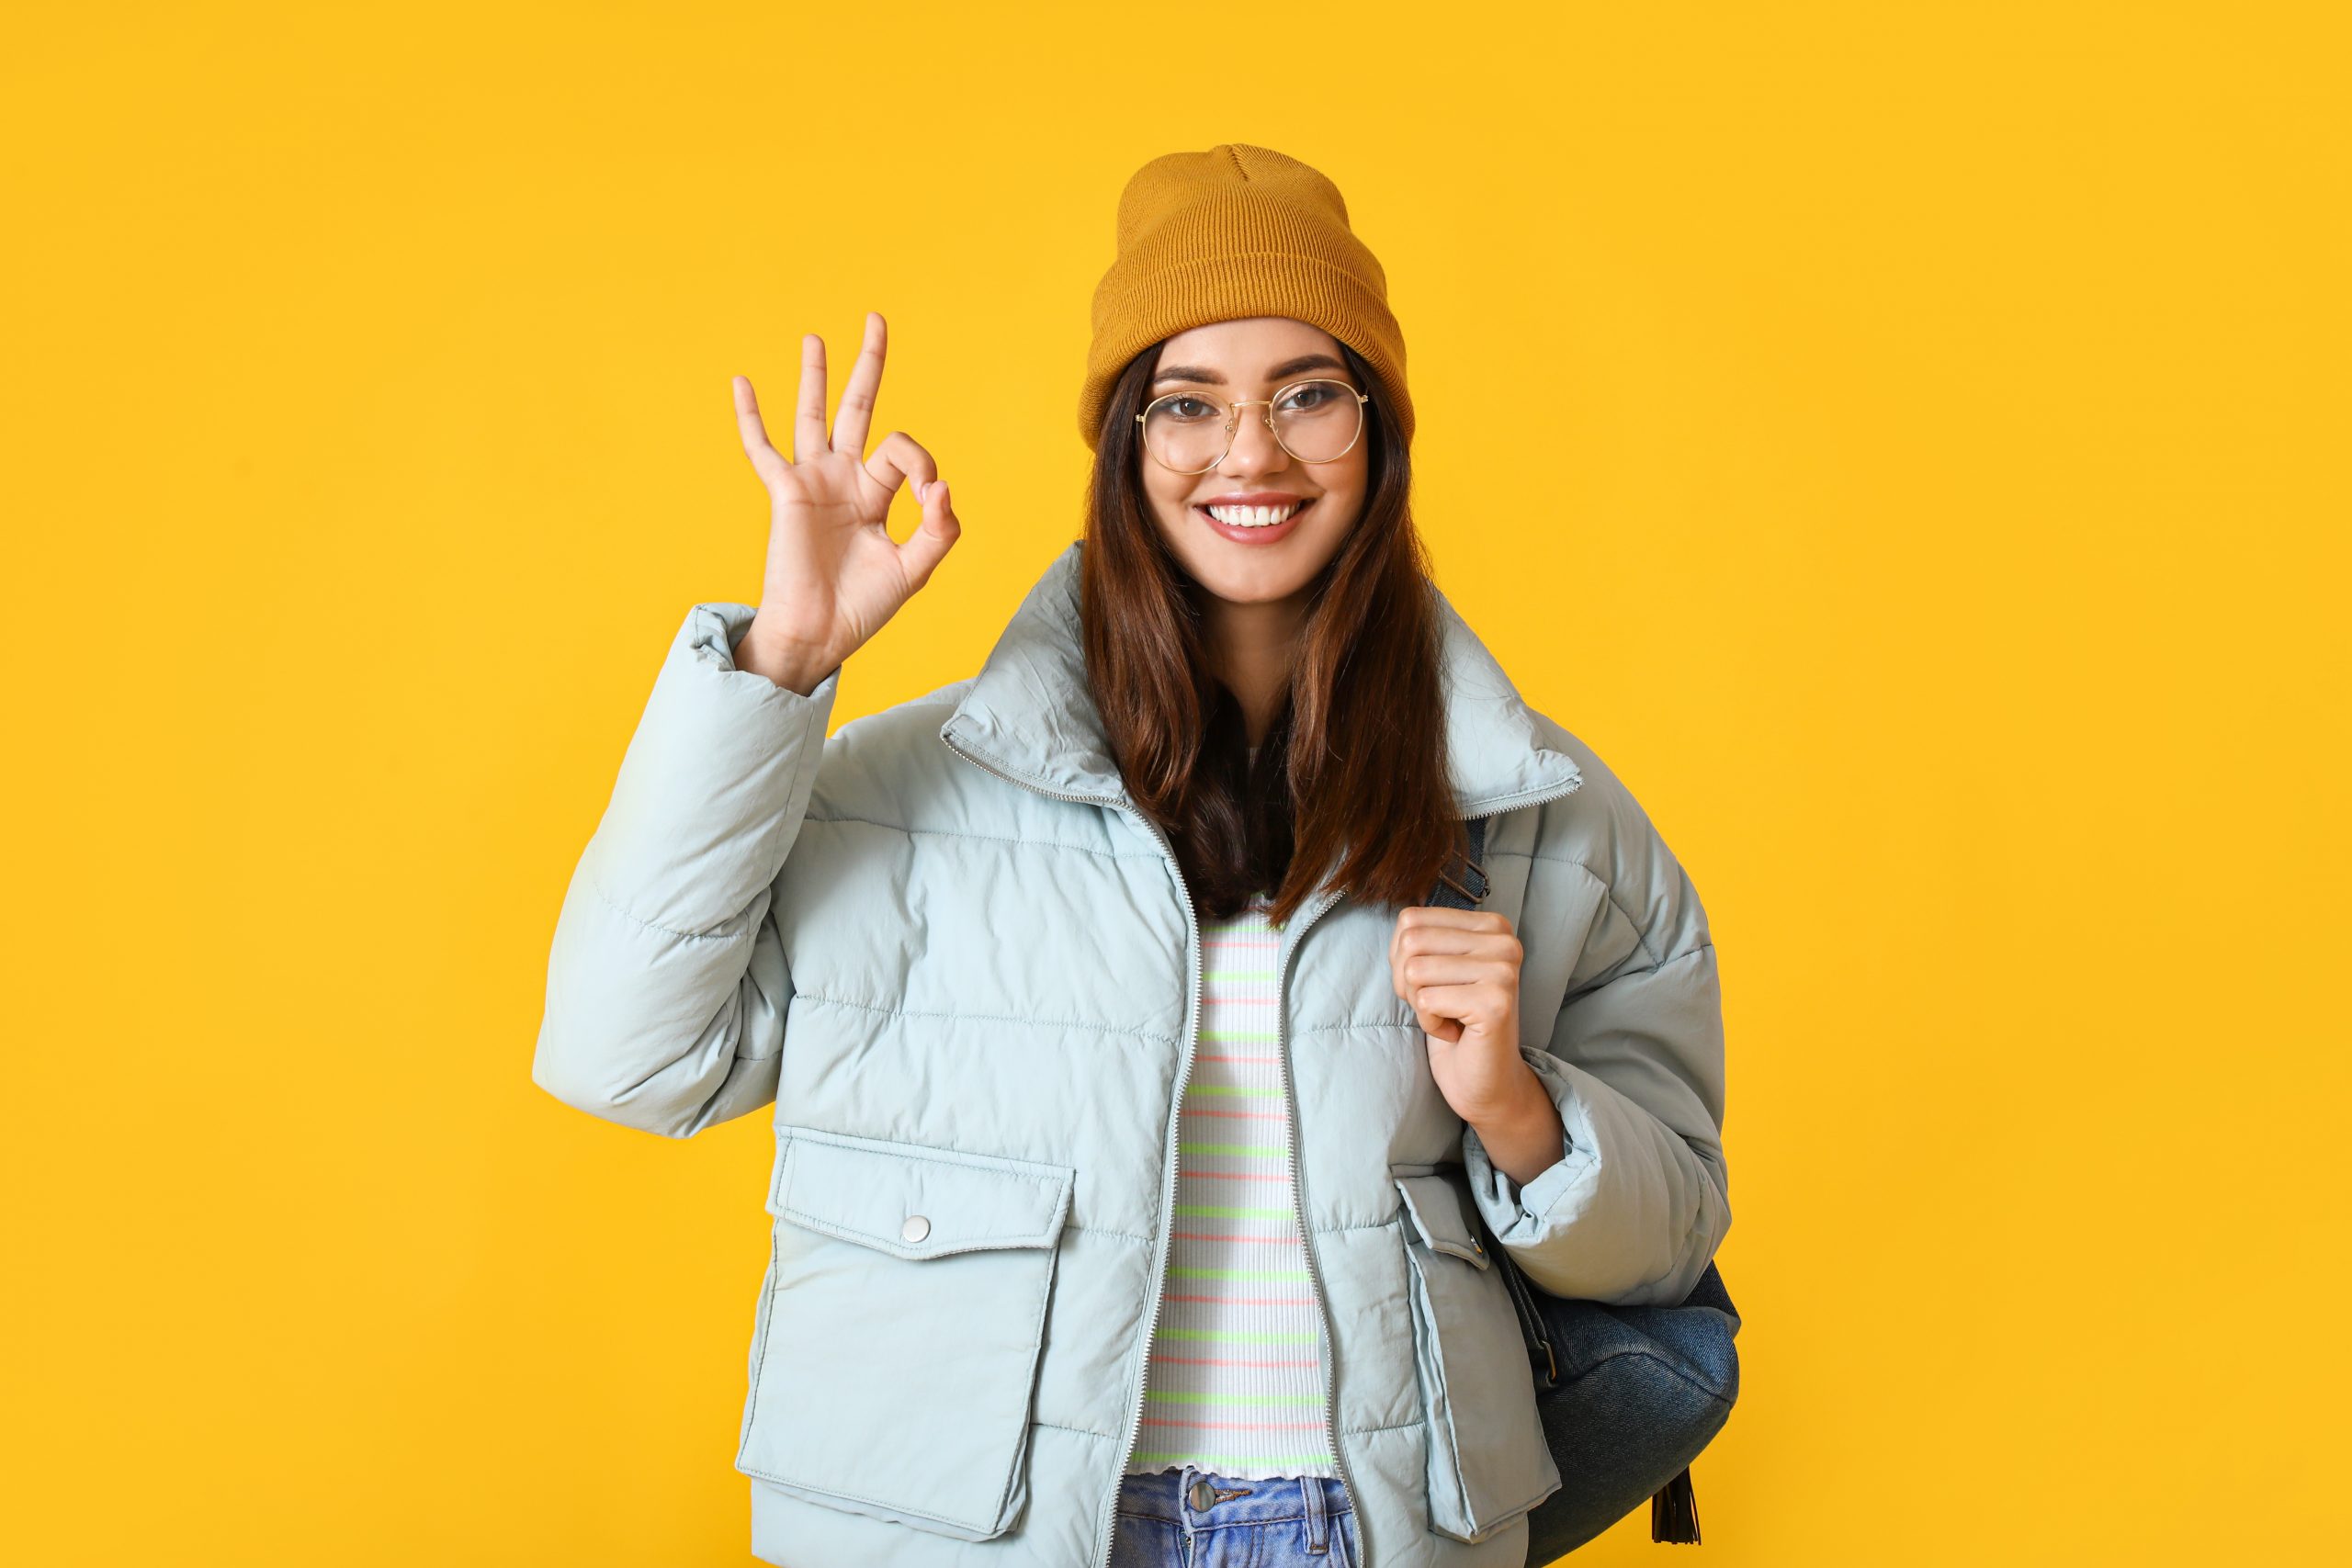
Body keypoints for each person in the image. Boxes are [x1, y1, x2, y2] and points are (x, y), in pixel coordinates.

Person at [533, 143, 1731, 1568]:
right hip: (980, 1540)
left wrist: (1519, 1110)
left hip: (1373, 1534)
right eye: (1188, 403)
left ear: (1379, 429)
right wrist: (783, 660)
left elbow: (1670, 1238)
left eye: (1310, 395)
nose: (1251, 454)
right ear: (1122, 443)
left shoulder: (1545, 814)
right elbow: (625, 1058)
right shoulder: (904, 797)